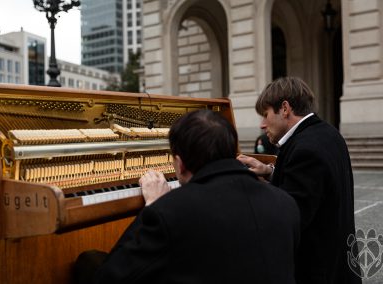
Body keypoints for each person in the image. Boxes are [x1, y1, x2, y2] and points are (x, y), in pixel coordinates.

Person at [75, 109, 300, 284]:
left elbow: (109, 278)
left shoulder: (171, 211)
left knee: (88, 262)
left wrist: (153, 205)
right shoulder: (284, 203)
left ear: (180, 164)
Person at [237, 77, 361, 284]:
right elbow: (314, 187)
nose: (262, 124)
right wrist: (270, 172)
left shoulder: (305, 149)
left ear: (284, 108)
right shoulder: (327, 132)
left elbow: (290, 218)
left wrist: (249, 190)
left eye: (265, 114)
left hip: (317, 271)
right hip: (338, 265)